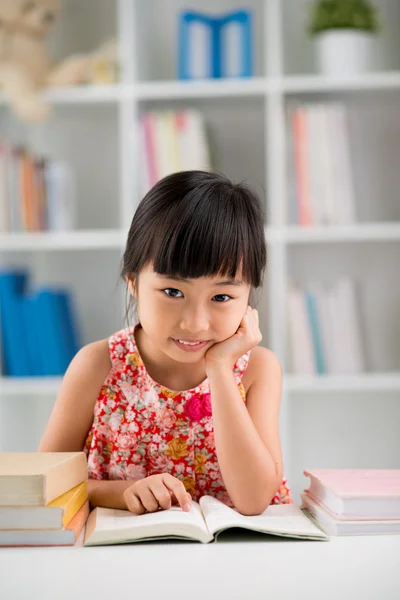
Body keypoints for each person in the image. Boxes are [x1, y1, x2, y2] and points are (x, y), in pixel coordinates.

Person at [38, 170, 293, 516]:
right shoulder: (98, 366)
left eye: (221, 296)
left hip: (234, 562)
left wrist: (219, 368)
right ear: (133, 283)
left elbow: (253, 500)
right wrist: (122, 493)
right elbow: (44, 484)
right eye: (173, 292)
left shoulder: (257, 370)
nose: (195, 323)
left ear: (248, 296)